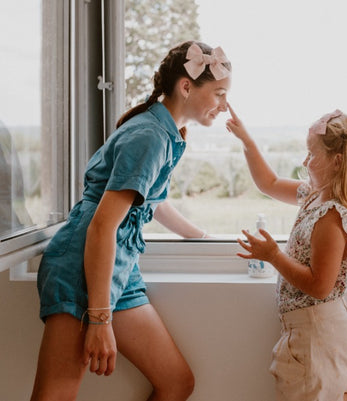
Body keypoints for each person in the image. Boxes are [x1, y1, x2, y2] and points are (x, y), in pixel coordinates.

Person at [30, 41, 231, 401]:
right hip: (84, 266)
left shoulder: (165, 132)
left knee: (176, 382)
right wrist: (99, 318)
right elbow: (103, 226)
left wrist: (203, 237)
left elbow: (153, 202)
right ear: (186, 87)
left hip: (119, 269)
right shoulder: (150, 137)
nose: (224, 104)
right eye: (218, 93)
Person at [226, 106, 347, 401]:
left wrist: (273, 255)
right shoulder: (313, 194)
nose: (304, 160)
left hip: (318, 337)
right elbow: (269, 184)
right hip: (311, 333)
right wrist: (247, 140)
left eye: (311, 154)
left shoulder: (332, 217)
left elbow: (320, 285)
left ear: (336, 162)